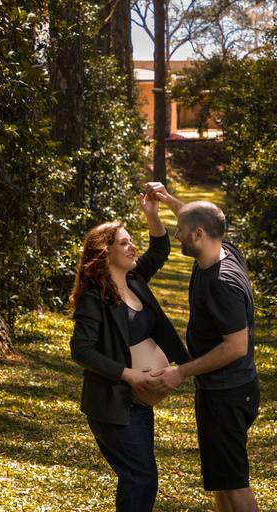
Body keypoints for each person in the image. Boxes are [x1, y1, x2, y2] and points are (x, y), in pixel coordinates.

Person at [69, 190, 190, 512]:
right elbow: (81, 350)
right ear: (103, 252)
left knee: (139, 476)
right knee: (141, 477)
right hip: (112, 403)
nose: (132, 246)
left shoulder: (135, 279)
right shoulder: (94, 298)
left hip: (139, 401)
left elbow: (160, 249)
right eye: (124, 243)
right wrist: (130, 375)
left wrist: (152, 211)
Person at [146, 182, 260, 512]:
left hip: (228, 393)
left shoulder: (222, 282)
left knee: (235, 486)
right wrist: (167, 199)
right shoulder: (219, 248)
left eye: (181, 231)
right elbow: (197, 217)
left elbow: (236, 346)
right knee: (221, 482)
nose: (177, 235)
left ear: (197, 234)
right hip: (221, 390)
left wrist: (180, 371)